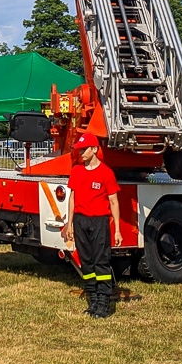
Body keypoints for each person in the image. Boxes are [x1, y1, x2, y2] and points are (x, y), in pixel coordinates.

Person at [60, 134, 122, 318]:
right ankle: (93, 299)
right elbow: (72, 198)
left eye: (84, 149)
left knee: (100, 261)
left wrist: (117, 229)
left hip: (99, 221)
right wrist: (69, 224)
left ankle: (104, 302)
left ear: (94, 149)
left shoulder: (106, 173)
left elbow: (114, 202)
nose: (81, 152)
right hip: (80, 220)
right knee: (86, 262)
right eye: (79, 149)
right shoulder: (77, 171)